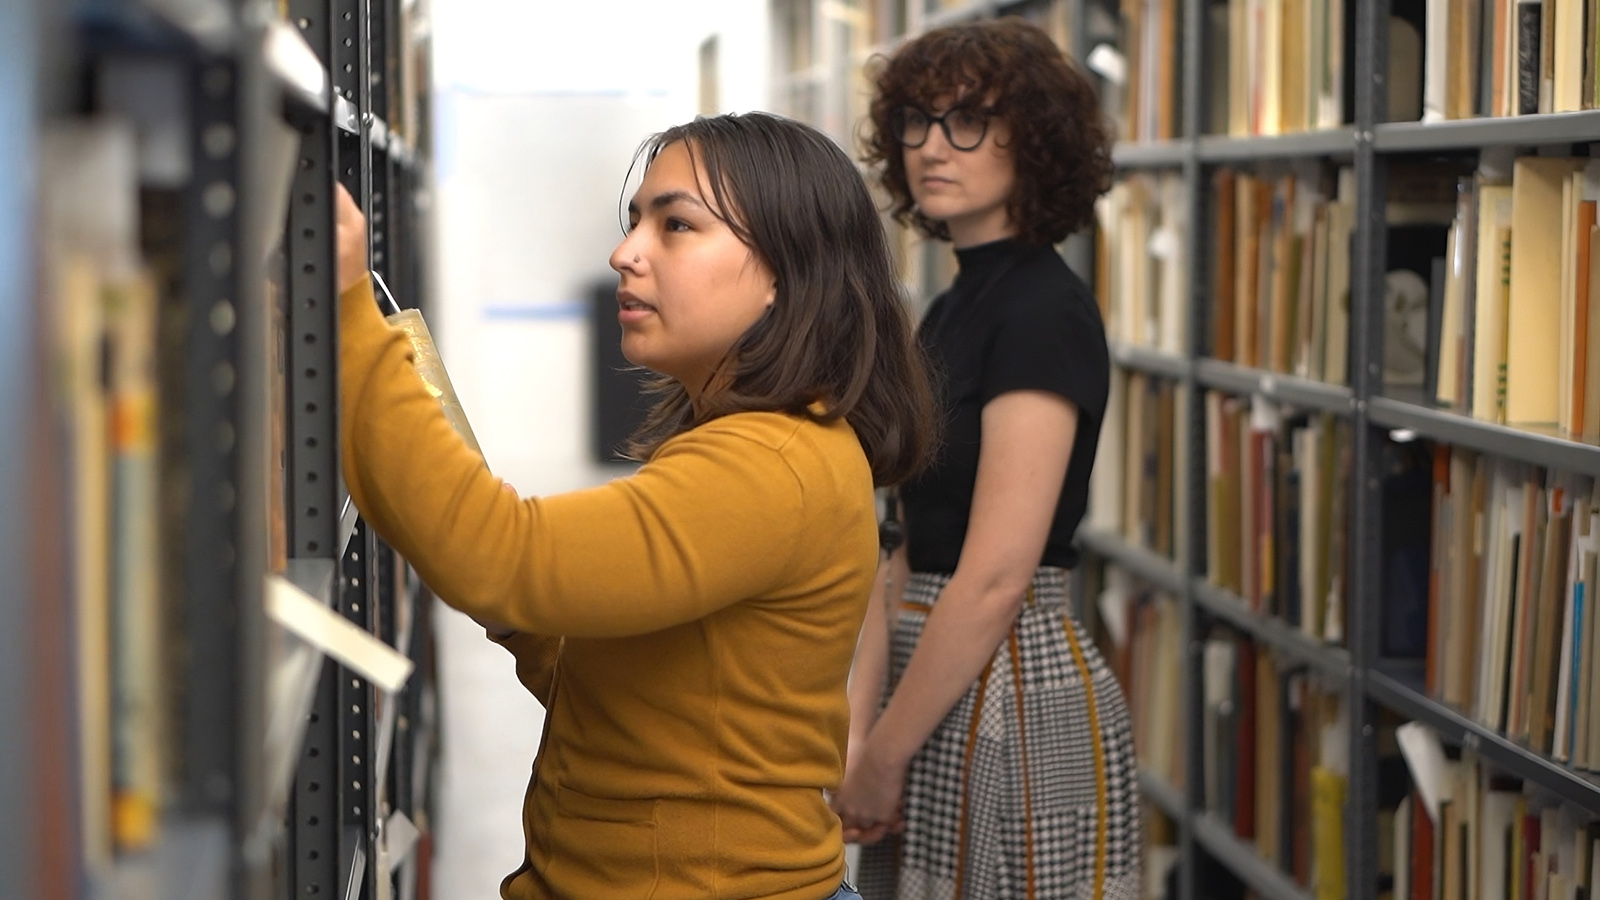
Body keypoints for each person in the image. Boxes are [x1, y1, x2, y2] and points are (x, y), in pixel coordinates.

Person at [333, 112, 938, 900]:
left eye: (677, 225)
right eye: (635, 222)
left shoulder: (769, 465)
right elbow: (636, 693)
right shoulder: (760, 445)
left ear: (787, 272)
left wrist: (347, 305)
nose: (626, 253)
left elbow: (503, 559)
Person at [830, 18, 1142, 900]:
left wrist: (882, 753)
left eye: (968, 120)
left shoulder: (1043, 310)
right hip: (929, 670)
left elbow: (1000, 572)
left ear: (1033, 140)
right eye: (917, 122)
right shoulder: (950, 305)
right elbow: (905, 539)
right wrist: (862, 732)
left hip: (1009, 675)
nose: (934, 146)